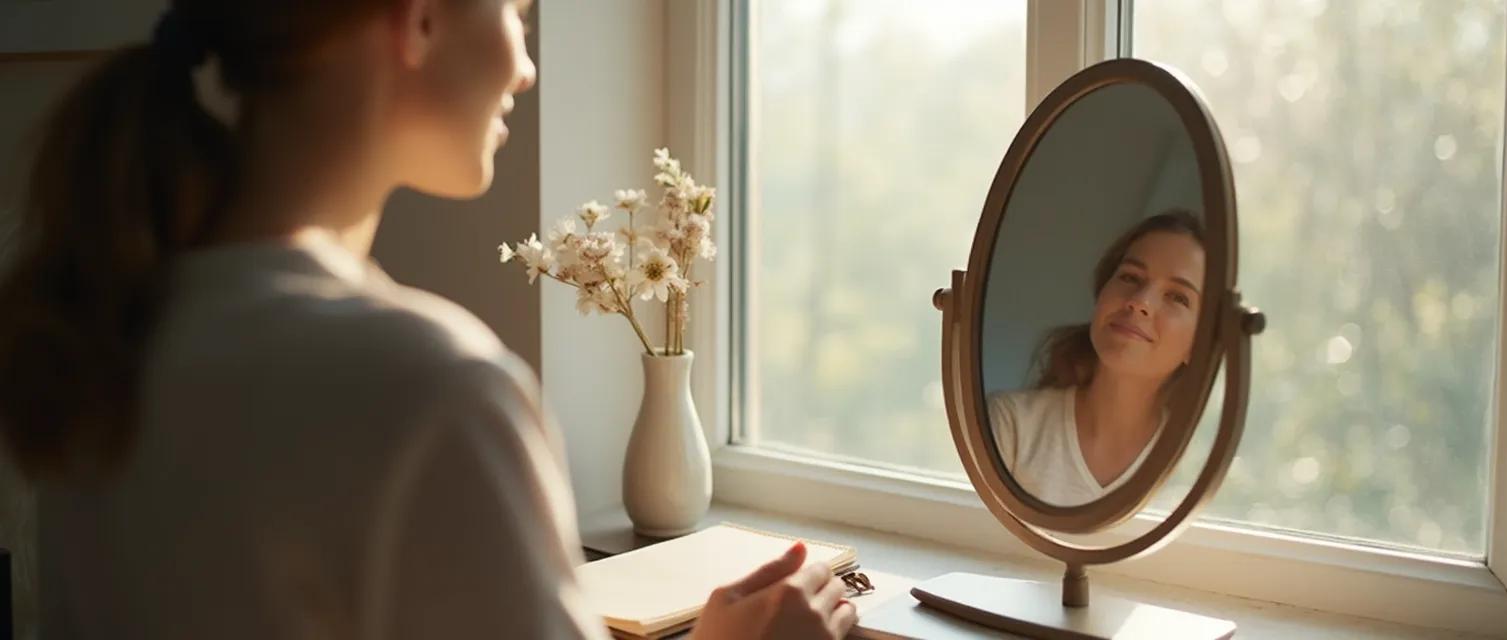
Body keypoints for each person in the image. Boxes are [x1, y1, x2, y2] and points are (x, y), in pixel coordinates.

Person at [0, 1, 856, 638]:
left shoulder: (100, 340)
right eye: (517, 11)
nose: (526, 66)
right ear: (417, 22)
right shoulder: (426, 389)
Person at [987, 210, 1205, 507]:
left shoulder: (1199, 470)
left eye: (1177, 297)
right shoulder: (1009, 425)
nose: (1140, 301)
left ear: (1200, 344)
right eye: (1130, 277)